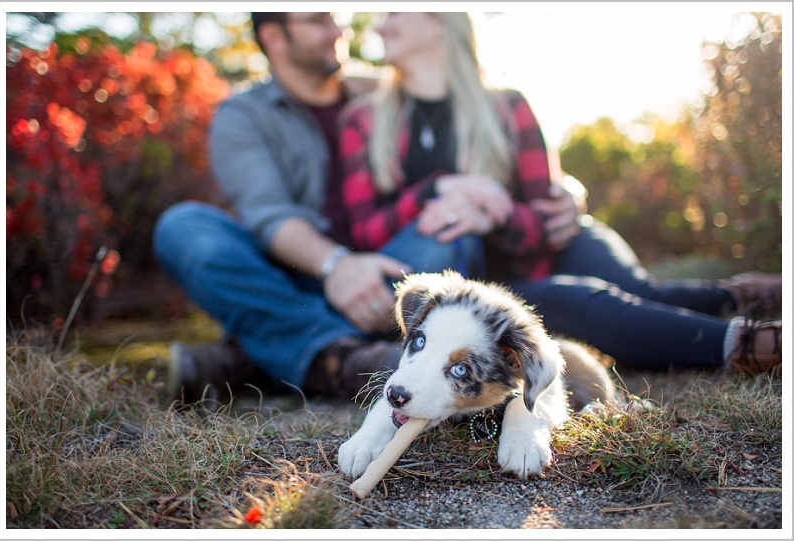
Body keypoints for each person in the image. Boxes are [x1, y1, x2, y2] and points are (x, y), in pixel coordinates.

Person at [152, 11, 589, 406]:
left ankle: (260, 355)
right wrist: (336, 266)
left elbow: (475, 135)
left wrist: (565, 188)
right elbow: (270, 217)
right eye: (319, 20)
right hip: (291, 277)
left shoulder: (381, 89)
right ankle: (342, 358)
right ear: (275, 36)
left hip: (389, 271)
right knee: (184, 227)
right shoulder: (243, 115)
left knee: (443, 239)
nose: (339, 29)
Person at [338, 12, 782, 377]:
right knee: (585, 300)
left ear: (437, 20)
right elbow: (364, 232)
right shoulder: (365, 119)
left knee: (636, 290)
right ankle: (750, 344)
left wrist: (496, 215)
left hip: (539, 247)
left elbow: (548, 218)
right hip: (481, 281)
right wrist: (437, 190)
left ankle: (745, 295)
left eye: (394, 12)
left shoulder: (507, 106)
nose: (379, 26)